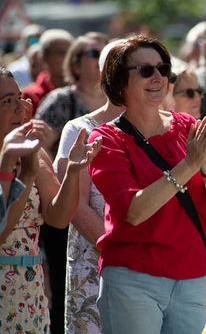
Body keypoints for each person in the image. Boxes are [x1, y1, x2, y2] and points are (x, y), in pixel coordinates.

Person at [87, 34, 206, 334]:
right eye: (145, 70)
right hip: (133, 280)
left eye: (163, 69)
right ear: (119, 81)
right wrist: (189, 164)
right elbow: (134, 210)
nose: (157, 77)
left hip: (194, 277)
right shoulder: (105, 139)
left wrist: (205, 166)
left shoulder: (188, 127)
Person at [0, 68, 101, 334]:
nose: (20, 108)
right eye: (7, 101)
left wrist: (73, 172)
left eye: (19, 98)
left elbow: (59, 218)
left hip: (29, 287)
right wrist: (21, 170)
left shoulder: (34, 151)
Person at [53, 39, 126, 334]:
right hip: (95, 259)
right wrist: (121, 249)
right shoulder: (79, 130)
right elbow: (74, 205)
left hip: (148, 263)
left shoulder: (162, 127)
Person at [22, 29, 74, 115]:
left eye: (71, 53)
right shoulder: (31, 96)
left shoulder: (82, 91)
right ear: (44, 57)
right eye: (61, 53)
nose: (68, 58)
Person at [6, 24, 45, 89]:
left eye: (40, 40)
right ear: (24, 44)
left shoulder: (52, 66)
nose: (37, 44)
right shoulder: (14, 70)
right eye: (33, 41)